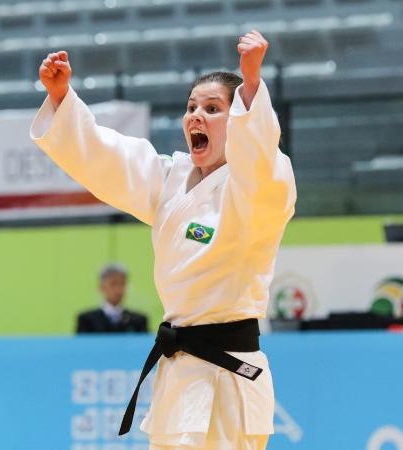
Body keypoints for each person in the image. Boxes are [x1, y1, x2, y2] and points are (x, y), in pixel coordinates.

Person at [31, 30, 296, 450]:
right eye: (191, 107)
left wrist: (249, 84)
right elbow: (109, 159)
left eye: (213, 108)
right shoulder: (172, 179)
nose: (196, 116)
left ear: (240, 120)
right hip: (180, 371)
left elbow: (259, 156)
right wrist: (63, 98)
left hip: (229, 377)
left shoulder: (259, 189)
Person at [76, 263, 149, 333]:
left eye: (122, 284)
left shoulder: (138, 320)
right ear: (101, 287)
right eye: (113, 284)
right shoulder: (87, 320)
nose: (118, 289)